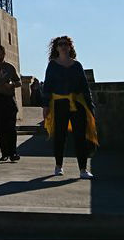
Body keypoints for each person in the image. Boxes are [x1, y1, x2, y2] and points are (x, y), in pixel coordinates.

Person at [42, 35, 98, 179]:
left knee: (80, 136)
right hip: (59, 104)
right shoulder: (52, 65)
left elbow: (85, 88)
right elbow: (47, 86)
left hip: (77, 104)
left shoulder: (77, 65)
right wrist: (45, 106)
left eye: (66, 44)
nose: (63, 46)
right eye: (60, 44)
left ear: (70, 47)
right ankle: (58, 166)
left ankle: (83, 169)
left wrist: (90, 107)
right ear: (56, 47)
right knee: (60, 135)